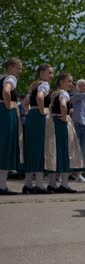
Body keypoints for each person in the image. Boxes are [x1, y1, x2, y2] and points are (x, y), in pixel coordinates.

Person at [47, 73, 83, 193]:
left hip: (54, 124)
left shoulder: (54, 93)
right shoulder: (63, 93)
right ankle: (64, 184)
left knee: (56, 152)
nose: (71, 84)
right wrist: (64, 116)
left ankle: (52, 183)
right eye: (69, 81)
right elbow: (63, 104)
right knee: (67, 152)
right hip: (62, 125)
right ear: (61, 82)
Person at [23, 64, 54, 194]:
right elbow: (40, 97)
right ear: (41, 72)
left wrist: (33, 111)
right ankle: (39, 185)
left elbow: (25, 103)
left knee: (32, 149)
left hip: (31, 117)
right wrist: (42, 111)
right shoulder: (44, 85)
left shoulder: (34, 85)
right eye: (50, 73)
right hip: (40, 118)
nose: (51, 76)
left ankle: (28, 184)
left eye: (52, 73)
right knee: (41, 148)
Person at [0, 58, 23, 195]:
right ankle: (2, 185)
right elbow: (6, 91)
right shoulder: (11, 78)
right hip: (6, 113)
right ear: (10, 67)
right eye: (18, 68)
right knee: (6, 146)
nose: (20, 71)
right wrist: (9, 106)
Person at [70, 79, 85, 183]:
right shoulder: (74, 96)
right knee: (73, 149)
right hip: (76, 125)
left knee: (84, 150)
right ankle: (70, 172)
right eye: (83, 85)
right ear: (78, 86)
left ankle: (79, 173)